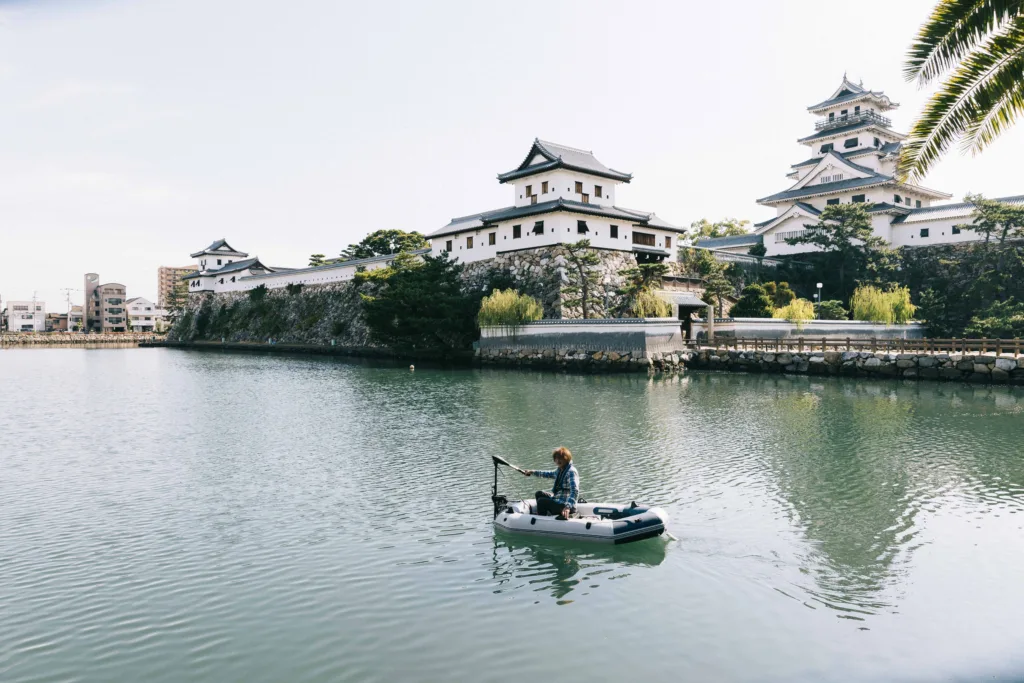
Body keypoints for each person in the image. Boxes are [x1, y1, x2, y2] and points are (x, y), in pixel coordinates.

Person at [523, 447, 579, 519]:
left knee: (541, 501)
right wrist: (532, 472)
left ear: (566, 458)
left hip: (565, 505)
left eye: (560, 458)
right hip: (559, 499)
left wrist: (568, 507)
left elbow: (575, 491)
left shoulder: (571, 472)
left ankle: (541, 520)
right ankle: (545, 514)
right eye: (556, 458)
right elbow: (548, 474)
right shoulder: (560, 470)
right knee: (539, 494)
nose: (558, 460)